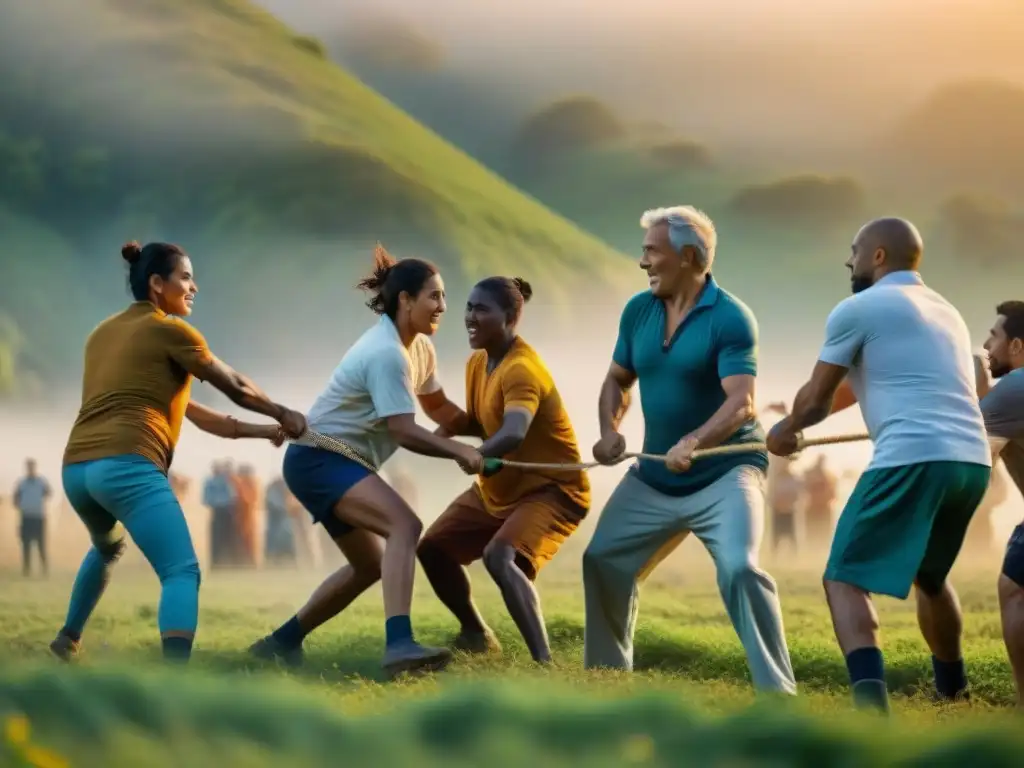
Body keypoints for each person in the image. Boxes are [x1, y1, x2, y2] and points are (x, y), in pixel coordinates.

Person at [767, 217, 992, 713]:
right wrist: (798, 420)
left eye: (854, 250)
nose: (848, 260)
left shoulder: (858, 308)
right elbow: (856, 387)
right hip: (969, 461)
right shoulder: (944, 311)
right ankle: (954, 695)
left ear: (878, 256)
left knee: (843, 576)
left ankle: (871, 711)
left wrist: (785, 432)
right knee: (930, 578)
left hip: (912, 457)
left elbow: (815, 401)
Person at [50, 240, 306, 664]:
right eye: (185, 277)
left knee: (107, 548)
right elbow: (236, 386)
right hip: (128, 465)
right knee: (180, 571)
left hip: (77, 470)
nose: (194, 287)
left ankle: (68, 637)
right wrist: (284, 410)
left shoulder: (102, 335)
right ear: (156, 283)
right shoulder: (170, 330)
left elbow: (202, 416)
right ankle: (174, 676)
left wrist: (268, 430)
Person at [583, 206, 796, 695]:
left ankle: (779, 696)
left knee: (740, 569)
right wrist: (609, 429)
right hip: (655, 477)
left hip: (725, 471)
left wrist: (695, 442)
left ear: (689, 256)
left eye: (652, 252)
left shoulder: (731, 318)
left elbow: (742, 402)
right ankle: (606, 684)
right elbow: (617, 380)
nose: (643, 263)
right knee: (602, 559)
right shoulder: (638, 310)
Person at [249, 245, 485, 679]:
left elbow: (442, 413)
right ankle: (399, 646)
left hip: (333, 463)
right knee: (406, 526)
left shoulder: (418, 349)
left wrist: (492, 434)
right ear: (405, 300)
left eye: (444, 296)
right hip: (320, 460)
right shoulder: (386, 354)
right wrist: (460, 452)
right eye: (434, 296)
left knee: (370, 566)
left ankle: (278, 644)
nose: (443, 307)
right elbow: (402, 429)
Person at [417, 277, 590, 663]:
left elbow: (513, 431)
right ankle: (476, 633)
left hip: (552, 490)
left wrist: (475, 454)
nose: (469, 317)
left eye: (482, 310)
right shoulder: (477, 361)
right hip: (498, 489)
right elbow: (486, 419)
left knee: (500, 557)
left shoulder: (522, 369)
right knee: (432, 549)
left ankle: (543, 664)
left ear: (510, 318)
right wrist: (439, 432)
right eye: (469, 307)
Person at [978, 300, 1024, 705]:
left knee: (1015, 590)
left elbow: (972, 454)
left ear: (1018, 346)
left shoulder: (1015, 386)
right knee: (1015, 582)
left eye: (994, 336)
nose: (986, 345)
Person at [13, 458, 51, 577]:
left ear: (35, 467)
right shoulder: (22, 483)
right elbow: (15, 498)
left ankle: (44, 570)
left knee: (41, 544)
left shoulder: (41, 482)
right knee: (26, 545)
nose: (30, 469)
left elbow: (48, 493)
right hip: (26, 517)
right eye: (28, 466)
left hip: (38, 517)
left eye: (32, 466)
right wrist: (23, 506)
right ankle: (26, 570)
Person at [202, 461, 238, 569]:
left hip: (227, 512)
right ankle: (216, 562)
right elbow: (206, 499)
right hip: (217, 512)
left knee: (227, 537)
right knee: (217, 537)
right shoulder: (210, 481)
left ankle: (227, 562)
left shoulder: (226, 481)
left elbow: (233, 496)